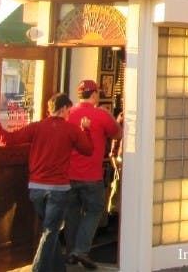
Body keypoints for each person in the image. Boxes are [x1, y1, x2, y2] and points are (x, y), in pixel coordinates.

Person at [0, 93, 92, 272]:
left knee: (48, 229)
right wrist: (86, 130)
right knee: (50, 231)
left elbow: (8, 139)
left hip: (36, 187)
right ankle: (38, 269)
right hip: (59, 188)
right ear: (64, 108)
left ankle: (59, 268)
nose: (69, 113)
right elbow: (87, 150)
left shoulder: (36, 127)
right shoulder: (71, 130)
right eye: (68, 109)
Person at [65, 79, 123, 270]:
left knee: (72, 213)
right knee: (95, 211)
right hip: (92, 175)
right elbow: (117, 134)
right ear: (95, 94)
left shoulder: (68, 114)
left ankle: (71, 252)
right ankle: (81, 250)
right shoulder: (101, 115)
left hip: (69, 174)